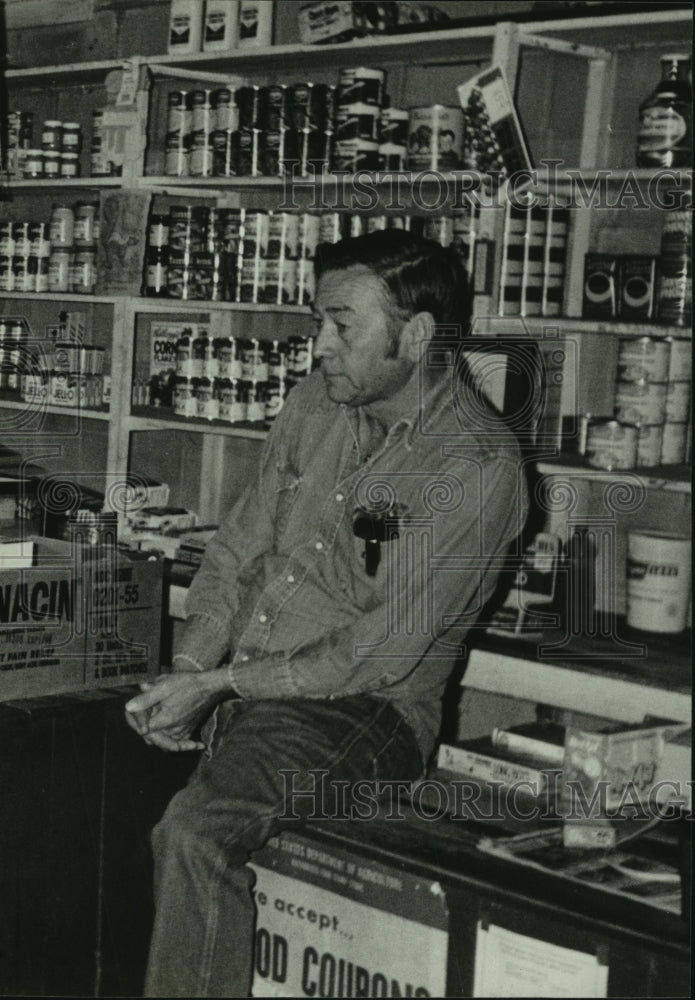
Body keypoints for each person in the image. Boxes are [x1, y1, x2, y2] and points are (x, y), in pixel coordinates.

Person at [125, 230, 528, 998]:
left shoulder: (474, 465)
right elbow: (239, 546)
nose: (320, 347)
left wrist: (220, 685)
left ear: (414, 335)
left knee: (195, 835)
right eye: (319, 323)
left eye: (342, 327)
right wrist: (188, 666)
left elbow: (379, 654)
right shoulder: (317, 405)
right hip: (251, 685)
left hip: (362, 714)